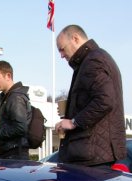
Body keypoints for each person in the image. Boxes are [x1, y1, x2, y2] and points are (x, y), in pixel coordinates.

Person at [54, 25, 126, 167]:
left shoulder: (92, 61)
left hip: (91, 155)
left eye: (62, 49)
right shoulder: (94, 59)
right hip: (96, 152)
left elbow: (105, 100)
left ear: (75, 38)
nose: (61, 55)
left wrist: (73, 122)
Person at [0, 61, 30, 159]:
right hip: (12, 154)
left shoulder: (15, 98)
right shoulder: (9, 98)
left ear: (8, 76)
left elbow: (20, 128)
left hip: (14, 157)